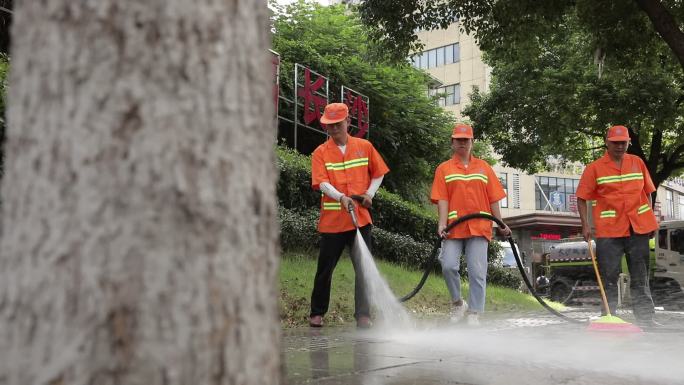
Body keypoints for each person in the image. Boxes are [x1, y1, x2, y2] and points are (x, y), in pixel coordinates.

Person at [309, 103, 389, 329]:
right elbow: (321, 182)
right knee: (325, 269)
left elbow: (379, 173)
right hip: (333, 223)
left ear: (348, 122)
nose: (333, 129)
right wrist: (340, 197)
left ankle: (363, 314)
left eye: (337, 124)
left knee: (364, 269)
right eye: (329, 125)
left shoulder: (364, 147)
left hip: (360, 221)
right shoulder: (320, 153)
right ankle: (317, 313)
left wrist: (369, 194)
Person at [576, 125, 658, 327]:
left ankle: (646, 319)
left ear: (628, 142)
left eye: (623, 143)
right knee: (609, 277)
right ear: (607, 142)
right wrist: (585, 225)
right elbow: (581, 198)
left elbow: (647, 192)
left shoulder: (637, 163)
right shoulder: (594, 168)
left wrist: (650, 219)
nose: (620, 146)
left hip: (637, 228)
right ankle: (608, 318)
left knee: (640, 276)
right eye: (615, 143)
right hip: (608, 231)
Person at [430, 123, 510, 326]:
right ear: (452, 143)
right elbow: (442, 199)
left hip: (480, 226)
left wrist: (500, 223)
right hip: (454, 227)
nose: (462, 143)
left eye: (466, 140)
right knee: (448, 265)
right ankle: (458, 303)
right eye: (458, 139)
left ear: (472, 142)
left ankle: (474, 312)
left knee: (477, 270)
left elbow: (493, 198)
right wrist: (441, 224)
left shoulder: (484, 168)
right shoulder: (444, 169)